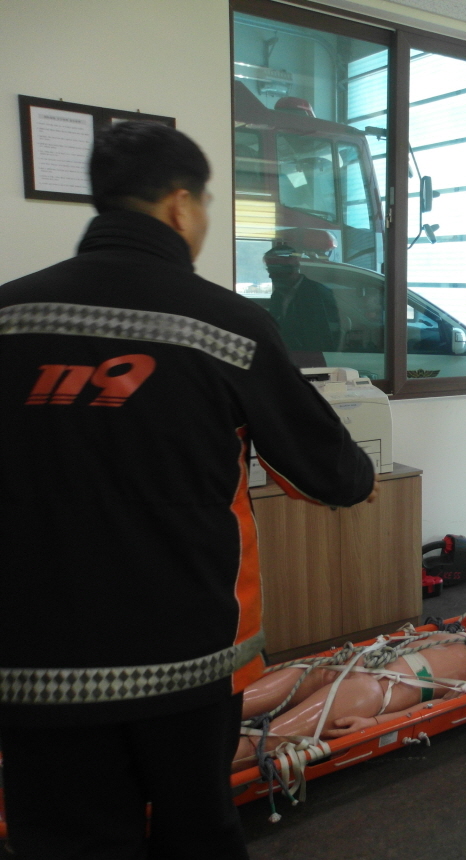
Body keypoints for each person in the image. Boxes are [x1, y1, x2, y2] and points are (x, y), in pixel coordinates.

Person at [0, 122, 377, 859]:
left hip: (31, 657)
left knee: (63, 843)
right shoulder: (228, 327)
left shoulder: (9, 316)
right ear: (180, 205)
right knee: (195, 832)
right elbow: (328, 472)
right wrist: (355, 480)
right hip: (184, 657)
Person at [233, 624, 466, 769]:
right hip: (357, 664)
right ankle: (216, 711)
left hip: (374, 690)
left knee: (267, 741)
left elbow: (442, 705)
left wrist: (376, 723)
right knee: (277, 683)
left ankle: (212, 771)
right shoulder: (464, 635)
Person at [264, 242, 343, 353]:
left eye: (273, 270)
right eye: (269, 270)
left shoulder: (316, 294)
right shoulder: (277, 296)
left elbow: (324, 337)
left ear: (290, 269)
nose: (270, 275)